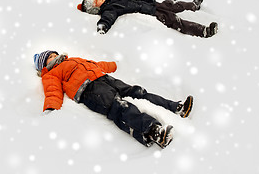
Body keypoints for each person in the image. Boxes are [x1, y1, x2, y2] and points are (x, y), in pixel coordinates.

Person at [33, 50, 194, 149]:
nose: (53, 56)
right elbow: (52, 90)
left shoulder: (72, 59)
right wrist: (51, 108)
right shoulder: (51, 73)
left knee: (137, 92)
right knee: (118, 106)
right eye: (48, 57)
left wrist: (112, 65)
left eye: (53, 53)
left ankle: (176, 107)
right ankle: (154, 131)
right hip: (88, 88)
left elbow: (94, 64)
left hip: (104, 78)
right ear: (44, 66)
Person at [77, 0, 218, 38]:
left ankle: (193, 5)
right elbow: (108, 18)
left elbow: (128, 1)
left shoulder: (110, 0)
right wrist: (103, 25)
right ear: (95, 8)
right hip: (151, 12)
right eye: (97, 0)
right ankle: (204, 31)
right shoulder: (109, 9)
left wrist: (143, 0)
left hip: (152, 5)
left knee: (174, 4)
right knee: (174, 20)